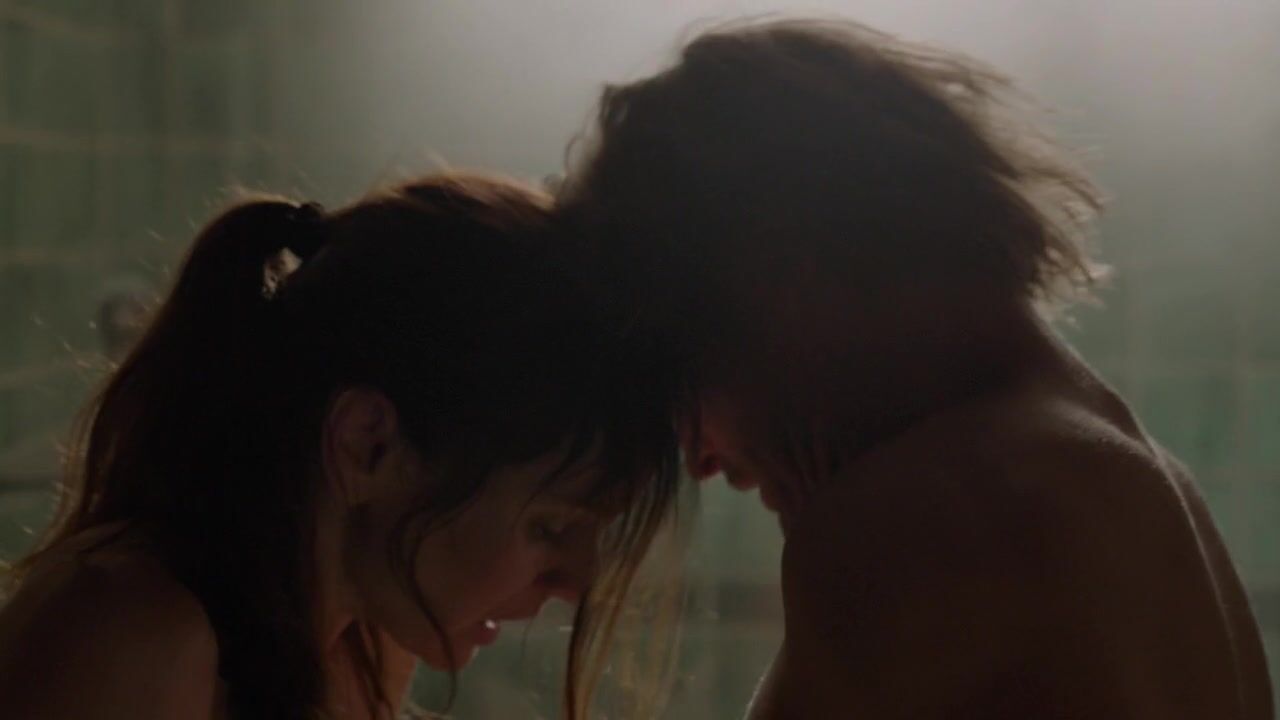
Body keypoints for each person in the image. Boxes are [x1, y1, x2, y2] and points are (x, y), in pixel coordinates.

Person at [557, 18, 1274, 719]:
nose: (701, 458)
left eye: (683, 379)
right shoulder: (1154, 499)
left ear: (775, 285)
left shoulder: (919, 515)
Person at [0, 173, 681, 719]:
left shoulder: (361, 645)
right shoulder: (129, 638)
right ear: (368, 444)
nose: (576, 583)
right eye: (550, 527)